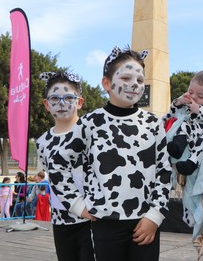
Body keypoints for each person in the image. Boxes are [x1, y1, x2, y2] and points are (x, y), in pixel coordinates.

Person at [53, 47, 171, 261]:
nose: (134, 84)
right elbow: (57, 164)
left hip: (145, 223)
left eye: (140, 79)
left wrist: (155, 216)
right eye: (125, 77)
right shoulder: (91, 123)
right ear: (106, 83)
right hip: (104, 224)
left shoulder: (153, 124)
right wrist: (77, 205)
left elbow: (164, 171)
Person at [36, 70, 94, 261]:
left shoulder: (92, 134)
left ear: (79, 102)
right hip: (61, 220)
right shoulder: (42, 141)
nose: (61, 104)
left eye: (68, 97)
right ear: (46, 104)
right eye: (55, 98)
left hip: (93, 217)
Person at [164, 69, 203, 176]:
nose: (193, 97)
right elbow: (172, 112)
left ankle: (192, 163)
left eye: (200, 96)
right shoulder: (186, 100)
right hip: (188, 130)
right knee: (184, 125)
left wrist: (198, 110)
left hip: (202, 134)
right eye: (191, 92)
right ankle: (177, 146)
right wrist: (179, 102)